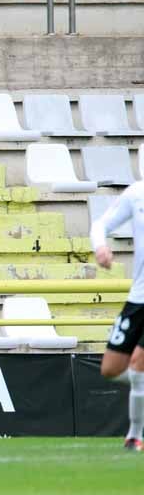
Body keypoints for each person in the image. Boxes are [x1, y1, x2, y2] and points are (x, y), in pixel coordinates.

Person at [90, 183, 144, 452]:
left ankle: (134, 436)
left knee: (138, 366)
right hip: (138, 298)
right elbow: (100, 225)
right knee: (111, 369)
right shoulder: (136, 194)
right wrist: (100, 247)